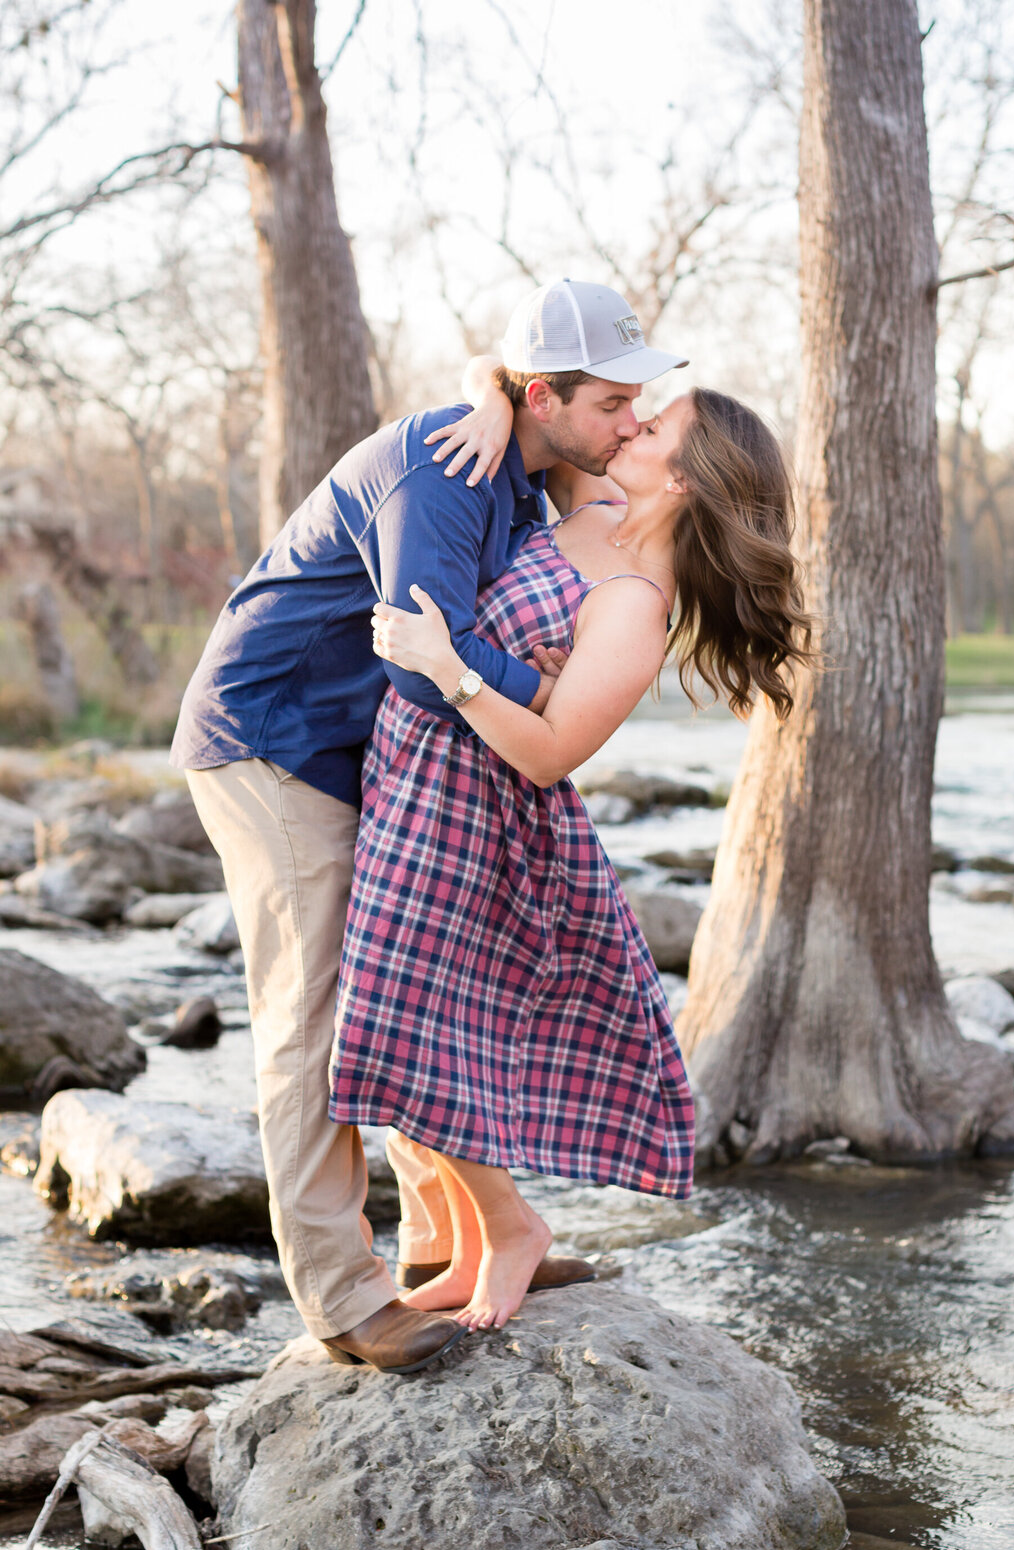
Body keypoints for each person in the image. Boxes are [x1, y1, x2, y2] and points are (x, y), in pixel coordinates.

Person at [170, 278, 688, 1373]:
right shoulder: (448, 473)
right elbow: (421, 661)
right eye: (611, 405)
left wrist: (488, 394)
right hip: (275, 740)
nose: (631, 425)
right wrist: (548, 692)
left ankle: (439, 1243)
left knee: (394, 988)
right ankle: (343, 1299)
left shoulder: (523, 457)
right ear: (543, 395)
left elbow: (476, 632)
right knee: (314, 1020)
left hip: (354, 756)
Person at [331, 366, 813, 1333]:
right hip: (411, 780)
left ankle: (513, 1231)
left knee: (400, 1028)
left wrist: (453, 672)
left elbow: (551, 756)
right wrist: (484, 398)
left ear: (681, 482)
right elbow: (533, 389)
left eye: (652, 431)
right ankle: (468, 1249)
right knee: (418, 1029)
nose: (626, 428)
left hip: (476, 815)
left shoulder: (637, 604)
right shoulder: (589, 500)